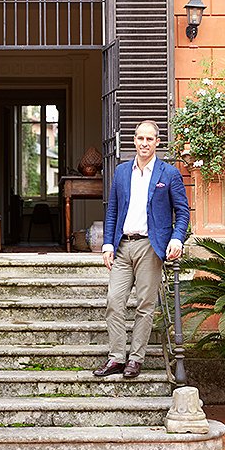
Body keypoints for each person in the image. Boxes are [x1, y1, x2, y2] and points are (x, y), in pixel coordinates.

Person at [93, 120, 190, 379]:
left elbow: (182, 212)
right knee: (114, 301)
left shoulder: (168, 174)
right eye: (140, 139)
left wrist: (177, 239)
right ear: (134, 141)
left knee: (145, 305)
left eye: (149, 139)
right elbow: (112, 209)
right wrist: (108, 244)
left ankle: (135, 359)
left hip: (150, 246)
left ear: (157, 142)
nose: (144, 143)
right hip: (123, 245)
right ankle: (116, 358)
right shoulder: (123, 172)